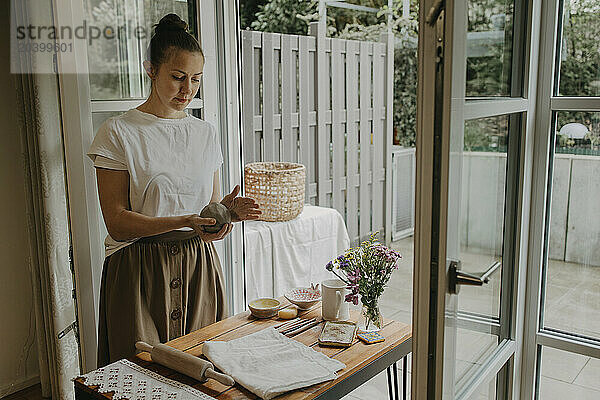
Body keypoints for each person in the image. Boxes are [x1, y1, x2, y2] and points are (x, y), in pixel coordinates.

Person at [87, 13, 260, 367]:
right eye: (178, 77)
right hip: (138, 269)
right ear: (151, 69)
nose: (188, 90)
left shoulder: (205, 133)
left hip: (199, 267)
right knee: (139, 375)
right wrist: (184, 219)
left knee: (202, 369)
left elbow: (208, 214)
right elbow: (117, 223)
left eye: (196, 79)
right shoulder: (118, 132)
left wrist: (223, 214)